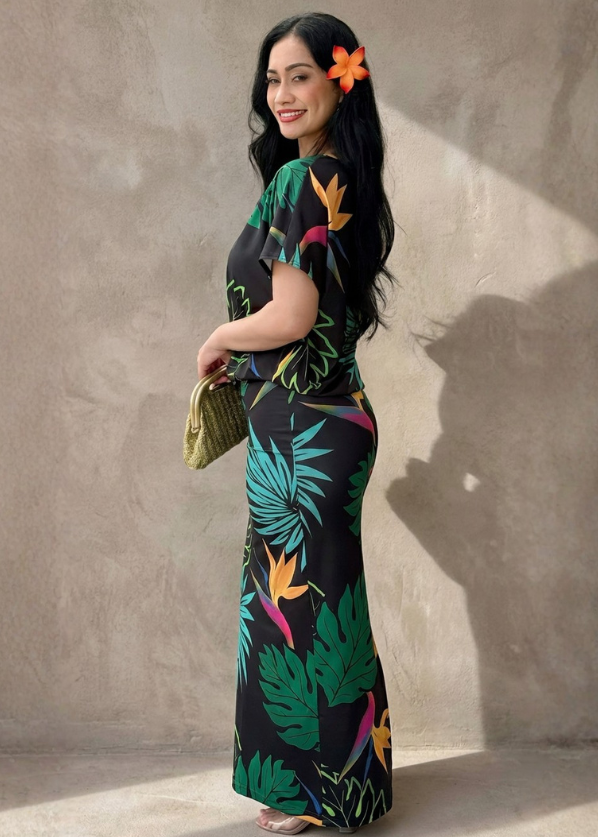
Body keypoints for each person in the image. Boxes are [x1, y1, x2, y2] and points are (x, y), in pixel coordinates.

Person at [196, 12, 398, 834]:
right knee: (328, 602)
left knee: (298, 609)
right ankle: (351, 791)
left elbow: (291, 315)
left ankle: (314, 797)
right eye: (272, 79)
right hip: (332, 419)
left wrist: (219, 336)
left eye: (300, 76)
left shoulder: (300, 182)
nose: (281, 94)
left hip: (302, 433)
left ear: (340, 83)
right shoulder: (345, 177)